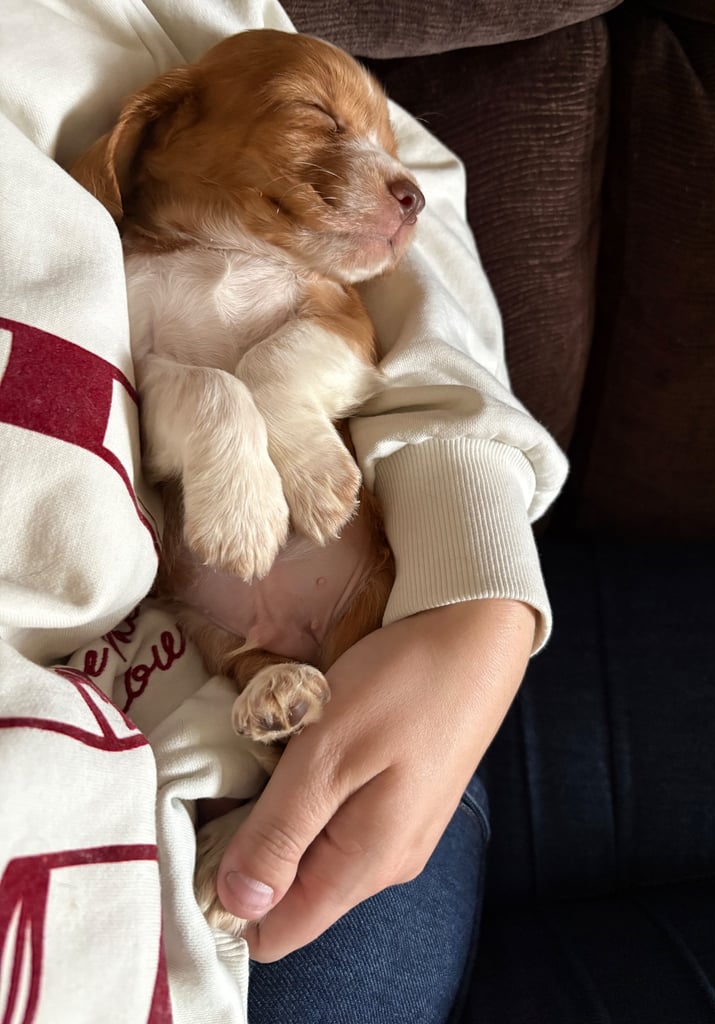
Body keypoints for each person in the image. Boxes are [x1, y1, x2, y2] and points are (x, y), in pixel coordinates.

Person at [0, 1, 566, 1022]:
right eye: (317, 115)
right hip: (159, 708)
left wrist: (469, 577)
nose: (384, 172)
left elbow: (414, 186)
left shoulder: (220, 48)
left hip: (392, 630)